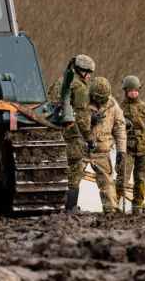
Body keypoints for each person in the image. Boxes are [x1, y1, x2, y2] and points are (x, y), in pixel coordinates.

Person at [47, 54, 95, 212]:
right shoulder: (79, 87)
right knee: (76, 162)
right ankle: (70, 206)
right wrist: (89, 138)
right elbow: (81, 115)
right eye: (89, 74)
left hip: (51, 130)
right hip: (68, 132)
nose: (89, 77)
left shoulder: (60, 81)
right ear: (84, 72)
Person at [118, 75, 145, 216]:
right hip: (127, 148)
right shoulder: (120, 108)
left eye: (136, 90)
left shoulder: (144, 108)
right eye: (131, 90)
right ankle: (112, 206)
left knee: (140, 179)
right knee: (122, 177)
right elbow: (113, 126)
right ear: (125, 91)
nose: (134, 93)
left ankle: (137, 207)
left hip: (144, 148)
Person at [87, 77, 126, 212]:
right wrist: (89, 119)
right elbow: (71, 120)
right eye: (96, 97)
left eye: (101, 98)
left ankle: (110, 210)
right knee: (72, 179)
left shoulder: (112, 104)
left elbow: (120, 127)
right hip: (81, 148)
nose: (98, 100)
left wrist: (121, 150)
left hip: (102, 150)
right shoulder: (81, 101)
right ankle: (68, 207)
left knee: (107, 181)